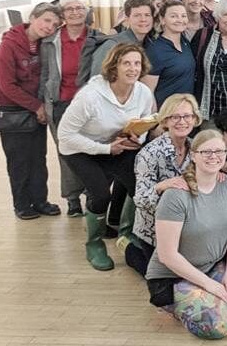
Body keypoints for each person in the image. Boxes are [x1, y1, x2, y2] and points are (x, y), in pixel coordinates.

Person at [145, 130, 227, 340]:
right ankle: (173, 306)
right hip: (172, 277)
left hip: (211, 266)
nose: (213, 156)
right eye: (206, 152)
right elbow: (167, 255)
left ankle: (210, 297)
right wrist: (210, 286)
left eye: (219, 151)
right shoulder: (175, 195)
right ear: (193, 155)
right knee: (220, 326)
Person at [58, 43, 155, 270]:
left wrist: (136, 138)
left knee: (141, 187)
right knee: (101, 195)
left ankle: (128, 234)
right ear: (114, 67)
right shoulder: (90, 96)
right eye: (126, 63)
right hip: (79, 149)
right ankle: (94, 244)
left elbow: (145, 121)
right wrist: (106, 149)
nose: (132, 68)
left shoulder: (142, 92)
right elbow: (65, 135)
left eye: (137, 63)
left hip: (116, 145)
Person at [0, 2, 63, 220]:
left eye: (54, 24)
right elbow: (7, 85)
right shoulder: (8, 45)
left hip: (36, 109)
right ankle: (22, 204)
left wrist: (41, 105)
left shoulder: (44, 44)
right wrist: (37, 106)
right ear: (32, 18)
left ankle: (40, 201)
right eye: (46, 20)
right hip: (13, 112)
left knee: (38, 159)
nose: (49, 27)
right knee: (19, 162)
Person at [128, 93, 201, 276]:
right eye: (175, 117)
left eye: (187, 116)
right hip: (153, 231)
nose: (182, 121)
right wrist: (162, 186)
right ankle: (131, 251)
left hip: (187, 229)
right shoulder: (149, 153)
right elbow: (140, 199)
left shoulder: (197, 148)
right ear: (165, 121)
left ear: (195, 119)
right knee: (164, 278)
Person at [40, 0, 98, 217]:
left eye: (80, 8)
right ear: (62, 14)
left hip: (88, 104)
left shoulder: (97, 37)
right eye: (70, 9)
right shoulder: (50, 41)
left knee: (90, 151)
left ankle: (92, 194)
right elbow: (44, 74)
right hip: (60, 103)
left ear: (86, 11)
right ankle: (72, 199)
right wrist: (43, 103)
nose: (75, 12)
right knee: (66, 153)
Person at [88, 0, 156, 77]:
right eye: (137, 15)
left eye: (147, 15)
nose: (143, 19)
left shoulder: (150, 44)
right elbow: (96, 79)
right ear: (127, 19)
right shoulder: (112, 45)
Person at [144, 0, 194, 108]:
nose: (180, 20)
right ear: (162, 20)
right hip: (166, 112)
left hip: (185, 111)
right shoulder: (155, 50)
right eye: (174, 16)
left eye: (183, 16)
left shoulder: (185, 42)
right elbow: (148, 92)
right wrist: (155, 117)